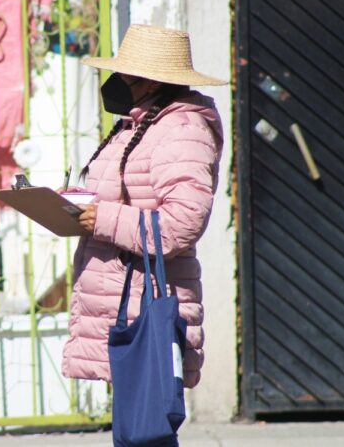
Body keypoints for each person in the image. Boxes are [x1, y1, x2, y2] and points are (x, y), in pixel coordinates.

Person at [61, 25, 226, 389]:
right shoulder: (136, 124)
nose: (116, 79)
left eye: (124, 72)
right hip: (120, 299)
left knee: (147, 430)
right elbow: (127, 195)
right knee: (135, 428)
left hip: (144, 301)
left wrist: (101, 217)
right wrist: (73, 202)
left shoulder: (182, 129)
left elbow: (181, 223)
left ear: (150, 82)